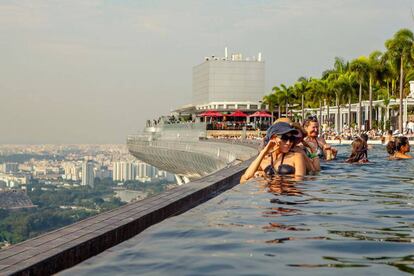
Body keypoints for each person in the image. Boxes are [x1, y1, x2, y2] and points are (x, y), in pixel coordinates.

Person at [240, 122, 306, 183]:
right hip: (268, 195)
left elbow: (299, 183)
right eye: (284, 138)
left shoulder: (297, 157)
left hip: (287, 194)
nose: (289, 142)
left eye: (291, 139)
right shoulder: (264, 159)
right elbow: (245, 179)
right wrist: (264, 152)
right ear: (273, 138)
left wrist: (269, 177)